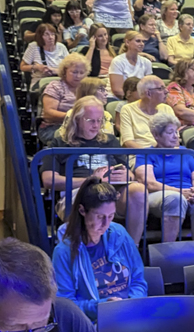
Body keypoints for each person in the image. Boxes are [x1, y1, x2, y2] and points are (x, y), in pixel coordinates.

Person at [41, 97, 148, 242]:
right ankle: (89, 252)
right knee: (95, 196)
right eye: (90, 120)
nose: (96, 125)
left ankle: (129, 248)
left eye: (99, 120)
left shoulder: (110, 141)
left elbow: (129, 173)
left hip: (112, 191)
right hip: (78, 193)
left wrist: (126, 176)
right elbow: (48, 180)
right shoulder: (60, 143)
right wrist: (91, 181)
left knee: (139, 191)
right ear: (77, 120)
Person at [52, 177, 147, 320]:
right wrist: (102, 307)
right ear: (82, 210)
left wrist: (131, 303)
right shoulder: (64, 252)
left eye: (111, 216)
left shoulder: (119, 233)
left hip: (130, 314)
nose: (106, 223)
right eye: (100, 216)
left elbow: (138, 279)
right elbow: (65, 304)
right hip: (95, 321)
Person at [133, 113, 194, 241]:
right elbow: (149, 183)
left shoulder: (187, 153)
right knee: (176, 199)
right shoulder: (146, 154)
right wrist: (180, 192)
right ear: (156, 135)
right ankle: (168, 249)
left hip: (188, 191)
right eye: (170, 132)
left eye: (176, 132)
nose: (175, 136)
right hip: (158, 193)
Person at [39, 53, 89, 144]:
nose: (78, 76)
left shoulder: (87, 88)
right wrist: (74, 118)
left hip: (82, 127)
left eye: (81, 73)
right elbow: (48, 113)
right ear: (65, 71)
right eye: (74, 72)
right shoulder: (55, 86)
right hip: (54, 127)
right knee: (79, 139)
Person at [118, 75, 175, 148]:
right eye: (161, 88)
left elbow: (175, 140)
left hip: (166, 154)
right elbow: (128, 142)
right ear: (148, 93)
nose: (166, 91)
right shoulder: (128, 109)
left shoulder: (167, 109)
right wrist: (149, 154)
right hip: (141, 155)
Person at [109, 30, 153, 98]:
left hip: (140, 98)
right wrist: (134, 99)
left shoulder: (147, 62)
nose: (142, 44)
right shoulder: (117, 61)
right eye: (138, 41)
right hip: (120, 98)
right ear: (127, 42)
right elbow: (117, 90)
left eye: (143, 41)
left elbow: (148, 86)